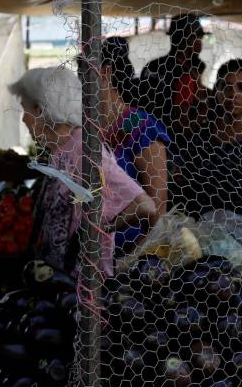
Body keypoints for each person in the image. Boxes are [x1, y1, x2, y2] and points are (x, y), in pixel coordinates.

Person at [9, 66, 157, 275]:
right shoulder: (62, 149)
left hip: (83, 289)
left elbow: (145, 206)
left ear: (42, 110)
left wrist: (101, 228)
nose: (24, 119)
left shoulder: (83, 150)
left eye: (25, 110)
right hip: (59, 282)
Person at [96, 37, 171, 252]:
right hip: (93, 256)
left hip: (128, 259)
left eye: (83, 73)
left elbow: (158, 210)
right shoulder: (88, 129)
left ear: (105, 73)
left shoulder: (141, 128)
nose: (79, 82)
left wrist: (133, 263)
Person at [171, 59, 242, 218]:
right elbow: (182, 183)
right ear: (217, 92)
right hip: (198, 229)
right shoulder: (201, 137)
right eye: (225, 87)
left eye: (241, 87)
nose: (233, 94)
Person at [137, 14, 208, 137]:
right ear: (189, 39)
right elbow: (181, 126)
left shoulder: (151, 65)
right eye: (200, 37)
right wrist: (204, 111)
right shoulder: (185, 76)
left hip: (142, 136)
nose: (202, 42)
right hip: (167, 144)